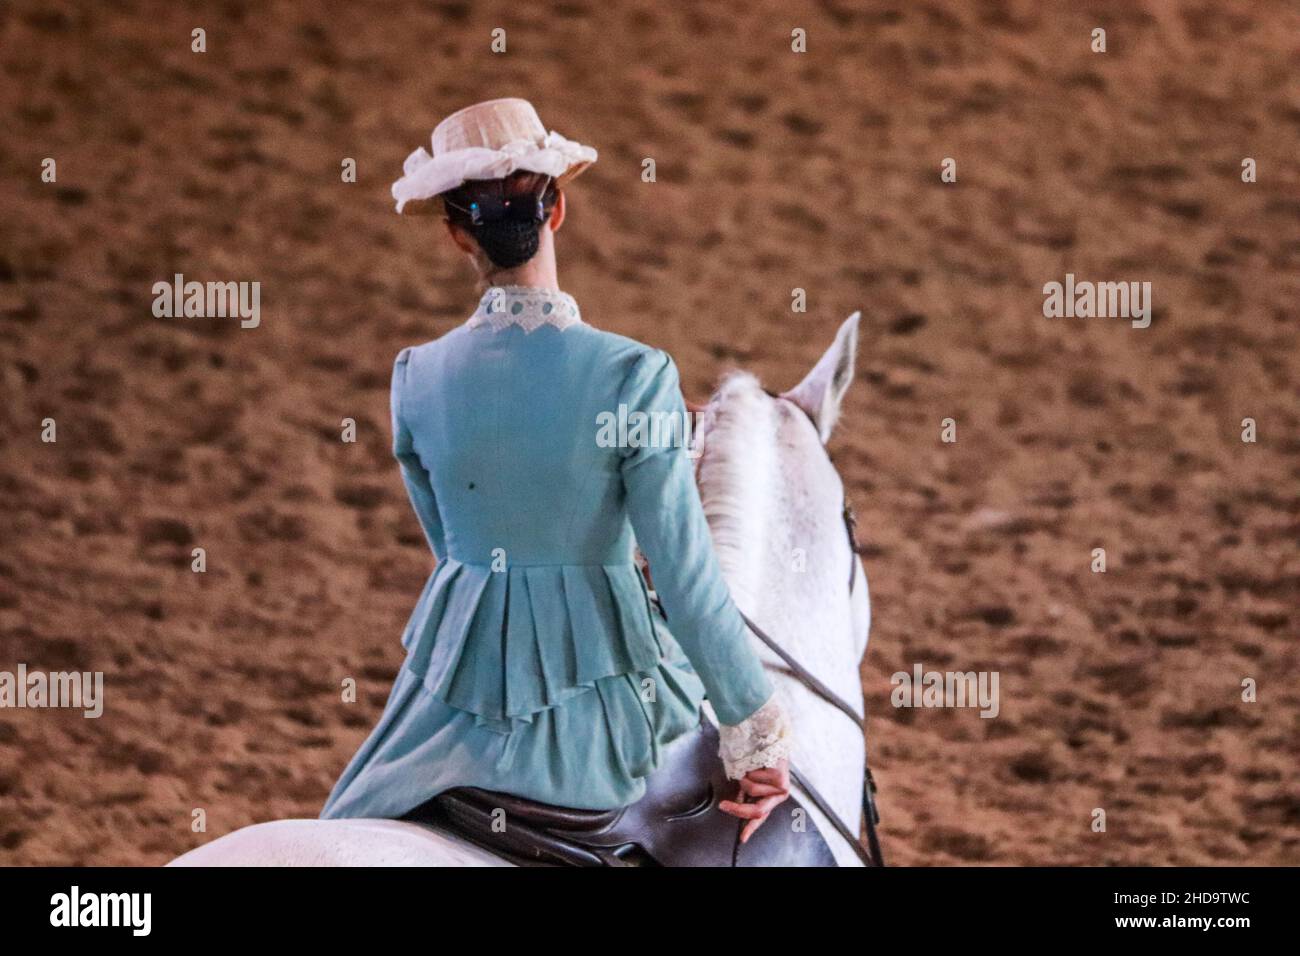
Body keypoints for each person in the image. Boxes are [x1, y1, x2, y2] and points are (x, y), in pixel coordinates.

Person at [321, 98, 791, 844]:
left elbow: (451, 552)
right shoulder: (635, 374)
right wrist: (755, 730)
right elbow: (684, 574)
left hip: (443, 704)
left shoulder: (415, 376)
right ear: (558, 210)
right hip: (595, 710)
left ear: (455, 235)